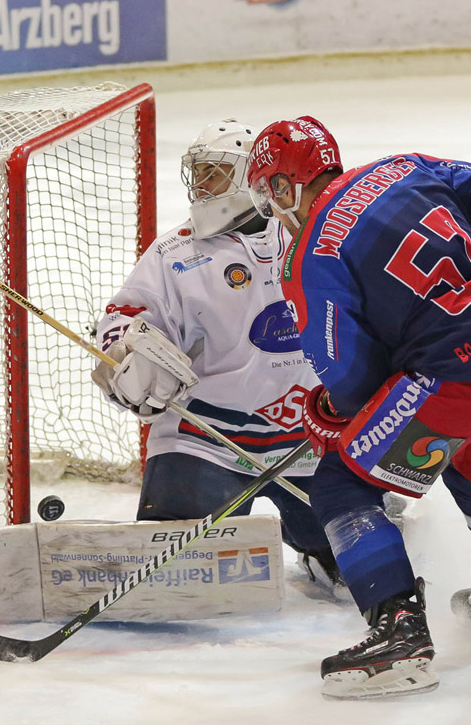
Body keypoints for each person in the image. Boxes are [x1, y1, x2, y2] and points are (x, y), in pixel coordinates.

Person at [246, 115, 471, 699]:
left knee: (341, 483)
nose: (276, 214)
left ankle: (399, 635)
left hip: (456, 377)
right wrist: (465, 295)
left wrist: (338, 413)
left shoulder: (310, 255)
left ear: (286, 187)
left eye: (271, 198)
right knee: (470, 458)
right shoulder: (403, 166)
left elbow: (350, 377)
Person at [91, 119, 341, 589]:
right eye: (198, 172)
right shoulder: (175, 253)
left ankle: (323, 546)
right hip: (206, 439)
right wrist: (121, 353)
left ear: (252, 176)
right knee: (179, 576)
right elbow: (125, 315)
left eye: (215, 172)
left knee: (354, 561)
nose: (202, 184)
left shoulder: (310, 231)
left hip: (311, 435)